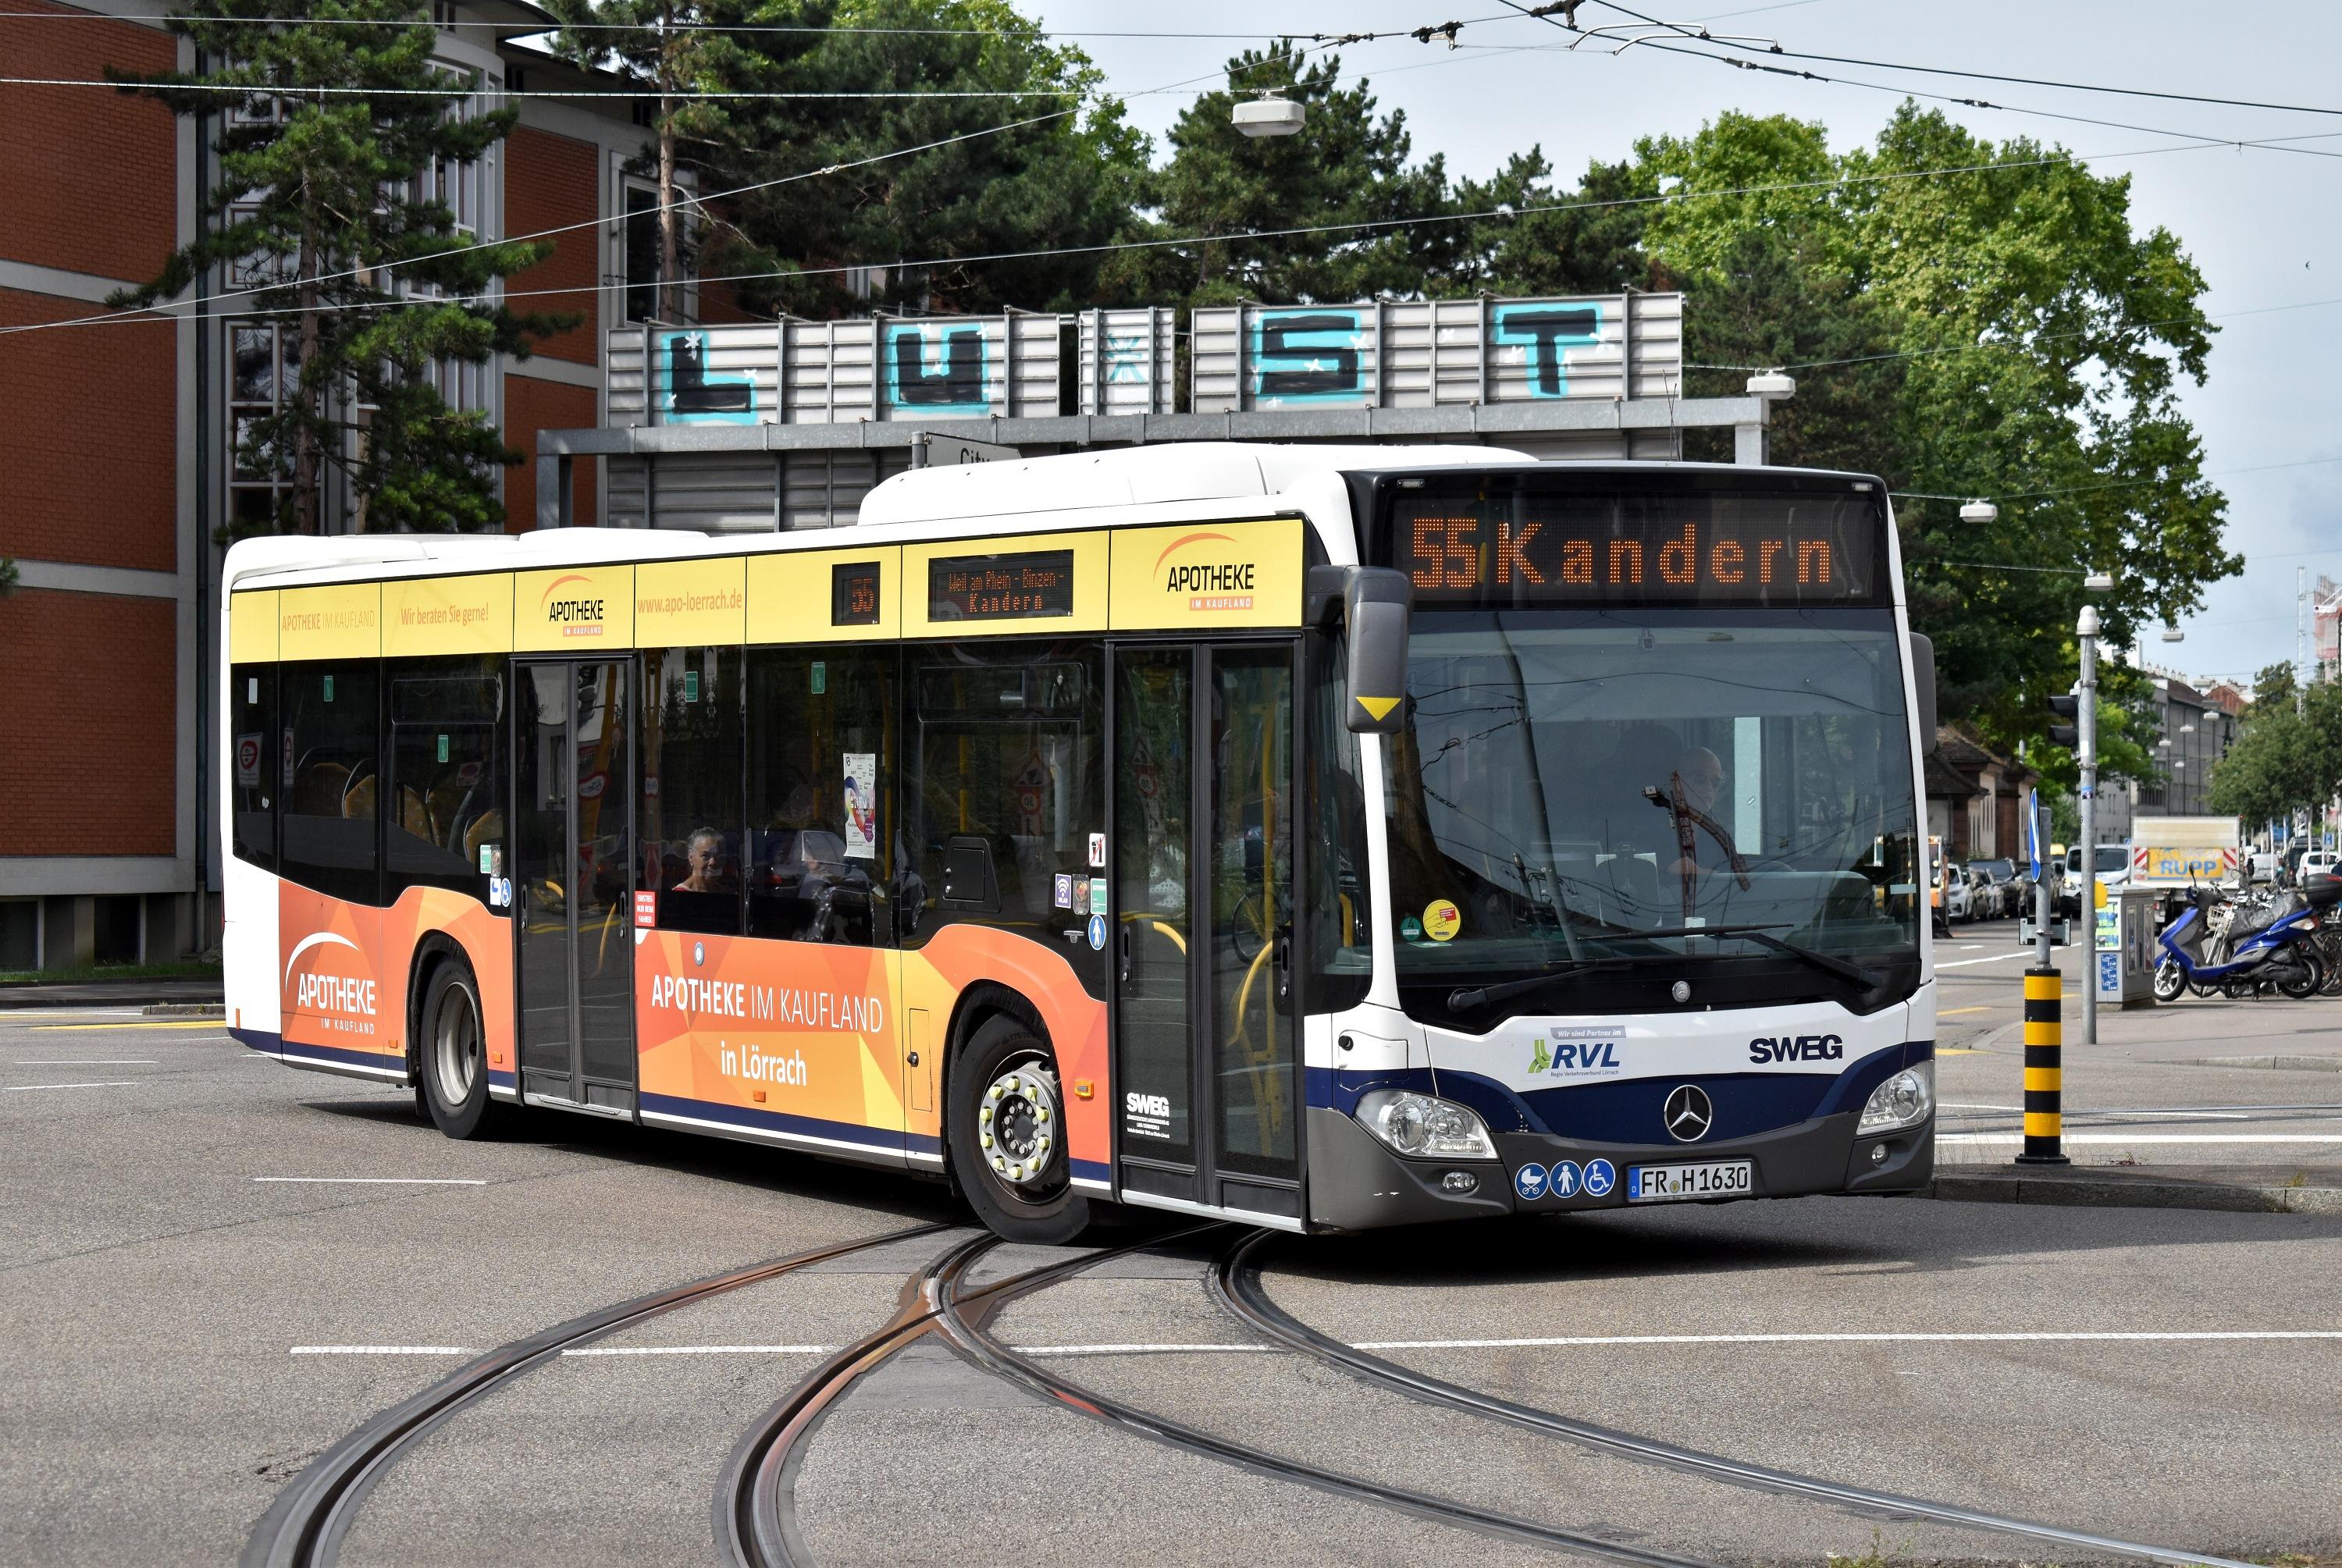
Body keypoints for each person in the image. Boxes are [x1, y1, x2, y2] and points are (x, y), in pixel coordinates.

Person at [674, 827, 723, 893]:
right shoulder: (678, 894)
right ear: (691, 857)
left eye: (717, 856)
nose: (713, 862)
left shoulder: (723, 891)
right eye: (705, 855)